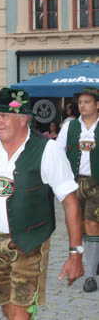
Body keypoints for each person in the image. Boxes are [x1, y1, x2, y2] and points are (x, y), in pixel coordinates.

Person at [0, 87, 84, 320]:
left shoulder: (46, 150)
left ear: (23, 119)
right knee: (6, 306)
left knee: (20, 311)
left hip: (30, 243)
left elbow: (71, 201)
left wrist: (75, 253)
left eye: (4, 116)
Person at [56, 86, 99, 293]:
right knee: (78, 226)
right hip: (74, 183)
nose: (82, 105)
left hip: (96, 183)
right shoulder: (70, 126)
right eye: (80, 102)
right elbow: (57, 152)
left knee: (92, 224)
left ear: (97, 105)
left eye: (87, 102)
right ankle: (87, 260)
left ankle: (90, 275)